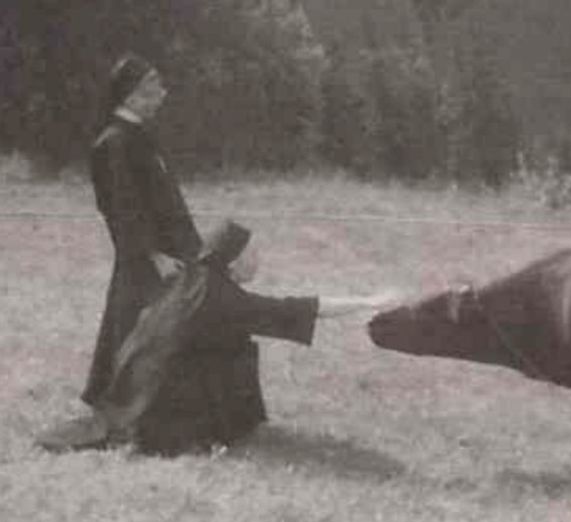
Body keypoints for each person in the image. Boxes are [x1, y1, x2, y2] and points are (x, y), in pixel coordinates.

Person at [44, 220, 398, 454]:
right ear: (232, 262)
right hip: (156, 406)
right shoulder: (225, 300)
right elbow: (297, 309)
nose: (258, 261)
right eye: (252, 254)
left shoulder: (195, 278)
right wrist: (367, 301)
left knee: (230, 347)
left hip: (130, 392)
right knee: (235, 353)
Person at [34, 53, 202, 452]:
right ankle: (123, 415)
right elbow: (122, 209)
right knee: (132, 335)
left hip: (171, 253)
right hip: (145, 259)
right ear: (131, 93)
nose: (162, 94)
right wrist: (152, 256)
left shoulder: (141, 135)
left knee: (157, 334)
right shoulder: (113, 142)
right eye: (153, 87)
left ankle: (153, 410)